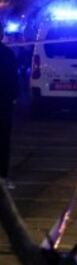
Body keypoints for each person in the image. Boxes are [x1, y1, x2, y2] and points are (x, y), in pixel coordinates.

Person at [0, 24, 19, 189]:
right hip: (3, 106)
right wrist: (14, 97)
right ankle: (3, 178)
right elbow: (14, 79)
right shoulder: (7, 54)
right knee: (3, 142)